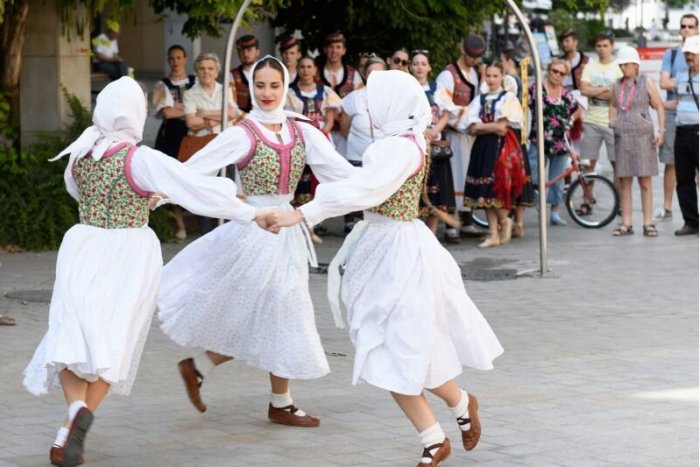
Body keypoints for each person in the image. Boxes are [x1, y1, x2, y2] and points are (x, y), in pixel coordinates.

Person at [22, 77, 268, 467]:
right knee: (116, 340)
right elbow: (193, 189)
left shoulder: (80, 152)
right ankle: (78, 421)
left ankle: (70, 418)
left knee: (69, 335)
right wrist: (252, 212)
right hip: (130, 251)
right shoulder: (140, 159)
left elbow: (76, 191)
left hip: (84, 243)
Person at [265, 70, 503, 467]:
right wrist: (313, 138)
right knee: (398, 348)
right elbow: (357, 181)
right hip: (387, 247)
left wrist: (301, 213)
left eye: (375, 104)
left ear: (393, 105)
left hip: (396, 254)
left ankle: (436, 437)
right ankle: (459, 407)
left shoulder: (397, 148)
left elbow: (363, 189)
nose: (369, 111)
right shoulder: (403, 142)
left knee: (392, 350)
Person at [157, 56, 355, 425]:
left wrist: (380, 182)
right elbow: (194, 169)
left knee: (279, 311)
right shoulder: (243, 132)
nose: (266, 93)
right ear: (250, 86)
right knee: (269, 309)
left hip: (288, 230)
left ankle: (237, 382)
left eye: (274, 85)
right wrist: (158, 190)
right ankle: (265, 395)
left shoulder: (302, 131)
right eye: (260, 85)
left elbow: (339, 171)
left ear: (285, 86)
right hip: (253, 232)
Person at [463, 62, 526, 248]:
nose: (491, 79)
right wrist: (487, 127)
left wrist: (482, 127)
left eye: (495, 76)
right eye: (488, 76)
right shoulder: (479, 100)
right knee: (484, 191)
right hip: (482, 146)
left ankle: (504, 222)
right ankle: (493, 233)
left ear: (502, 77)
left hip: (500, 147)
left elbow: (502, 127)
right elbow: (471, 127)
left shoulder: (508, 98)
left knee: (496, 186)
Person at [609, 47, 665, 237]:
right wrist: (613, 123)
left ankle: (648, 222)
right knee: (624, 181)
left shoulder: (645, 82)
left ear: (635, 65)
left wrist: (661, 131)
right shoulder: (616, 84)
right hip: (623, 135)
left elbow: (658, 106)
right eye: (621, 65)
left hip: (643, 135)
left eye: (627, 64)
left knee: (645, 181)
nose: (624, 68)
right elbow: (613, 105)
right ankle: (626, 223)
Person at [184, 52, 241, 235]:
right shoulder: (190, 94)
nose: (206, 72)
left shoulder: (225, 90)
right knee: (204, 193)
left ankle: (225, 233)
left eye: (210, 68)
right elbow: (191, 123)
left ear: (217, 71)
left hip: (225, 147)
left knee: (226, 190)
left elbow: (232, 114)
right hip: (203, 148)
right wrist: (220, 114)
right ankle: (207, 234)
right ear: (196, 72)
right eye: (202, 69)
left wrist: (203, 114)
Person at [435, 34, 487, 238]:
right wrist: (466, 117)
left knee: (468, 175)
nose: (474, 60)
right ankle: (450, 225)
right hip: (454, 133)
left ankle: (467, 220)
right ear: (462, 51)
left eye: (477, 57)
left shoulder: (475, 73)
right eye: (471, 56)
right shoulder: (448, 75)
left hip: (470, 134)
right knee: (453, 177)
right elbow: (443, 106)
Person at [286, 55, 341, 239]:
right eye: (302, 67)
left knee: (319, 183)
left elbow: (330, 121)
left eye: (309, 66)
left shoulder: (325, 92)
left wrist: (318, 137)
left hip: (321, 141)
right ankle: (302, 228)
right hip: (299, 143)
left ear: (315, 70)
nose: (306, 70)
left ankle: (314, 225)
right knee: (301, 184)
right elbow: (291, 121)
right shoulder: (291, 93)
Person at [410, 50, 457, 243]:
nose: (419, 67)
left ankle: (431, 233)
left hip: (434, 145)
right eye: (416, 64)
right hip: (413, 144)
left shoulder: (438, 89)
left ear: (429, 67)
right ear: (410, 67)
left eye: (423, 63)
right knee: (414, 189)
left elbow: (447, 113)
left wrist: (434, 130)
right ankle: (414, 233)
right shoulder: (407, 88)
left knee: (437, 189)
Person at [528, 59, 582, 227]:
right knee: (532, 174)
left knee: (557, 179)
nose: (557, 75)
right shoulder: (536, 89)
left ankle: (555, 212)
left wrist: (571, 120)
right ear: (548, 71)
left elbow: (579, 109)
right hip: (539, 139)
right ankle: (531, 201)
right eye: (554, 71)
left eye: (561, 73)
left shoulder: (566, 94)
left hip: (560, 142)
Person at [337, 56, 387, 233]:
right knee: (355, 191)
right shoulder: (354, 98)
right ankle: (351, 221)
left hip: (382, 156)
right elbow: (344, 128)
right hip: (357, 154)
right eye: (371, 73)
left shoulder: (391, 97)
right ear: (364, 74)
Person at [656, 14, 699, 222]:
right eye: (683, 26)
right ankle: (681, 215)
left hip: (697, 127)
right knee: (678, 171)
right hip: (679, 123)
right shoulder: (677, 63)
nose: (686, 29)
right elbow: (670, 92)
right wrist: (659, 103)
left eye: (691, 26)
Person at [152, 44, 196, 241]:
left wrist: (180, 107)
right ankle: (179, 223)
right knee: (172, 178)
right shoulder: (162, 85)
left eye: (179, 58)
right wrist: (191, 110)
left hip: (195, 133)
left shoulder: (195, 82)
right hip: (172, 135)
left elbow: (203, 107)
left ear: (185, 59)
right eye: (172, 59)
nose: (176, 62)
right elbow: (167, 112)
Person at [578, 31, 622, 216]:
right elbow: (583, 89)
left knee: (617, 165)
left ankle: (621, 203)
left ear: (611, 46)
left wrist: (594, 91)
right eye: (599, 46)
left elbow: (618, 94)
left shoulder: (618, 68)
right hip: (591, 120)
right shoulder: (590, 66)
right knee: (588, 164)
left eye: (605, 45)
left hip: (613, 120)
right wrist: (605, 89)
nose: (602, 49)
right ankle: (587, 200)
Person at [665, 34, 700, 236]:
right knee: (684, 178)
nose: (689, 57)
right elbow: (677, 103)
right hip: (681, 131)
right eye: (687, 53)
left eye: (693, 53)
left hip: (698, 130)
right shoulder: (680, 74)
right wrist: (660, 105)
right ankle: (691, 221)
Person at [318, 32, 363, 155]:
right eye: (331, 47)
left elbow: (359, 102)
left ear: (344, 50)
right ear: (325, 50)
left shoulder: (353, 74)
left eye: (338, 47)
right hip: (322, 130)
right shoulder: (314, 73)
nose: (334, 51)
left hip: (345, 131)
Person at [231, 35, 261, 113]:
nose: (245, 54)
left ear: (257, 52)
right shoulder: (232, 75)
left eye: (249, 50)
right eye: (241, 50)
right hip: (239, 121)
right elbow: (230, 104)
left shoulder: (267, 73)